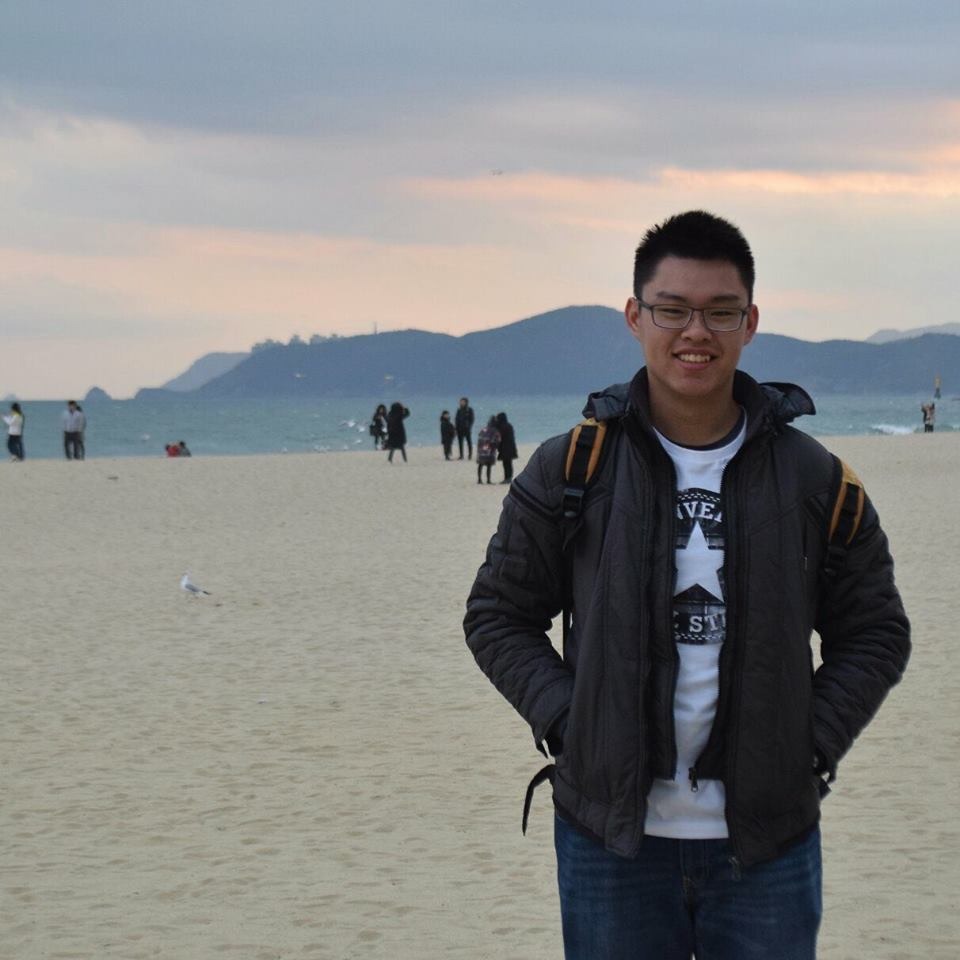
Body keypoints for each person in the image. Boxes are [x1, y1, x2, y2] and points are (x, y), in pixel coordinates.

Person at [464, 211, 910, 960]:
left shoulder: (815, 479)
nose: (695, 332)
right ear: (635, 316)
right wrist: (572, 721)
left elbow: (875, 632)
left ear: (750, 322)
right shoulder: (573, 467)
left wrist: (810, 743)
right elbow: (497, 614)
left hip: (767, 844)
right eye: (672, 310)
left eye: (720, 312)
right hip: (611, 843)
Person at [475, 416, 500, 484]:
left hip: (481, 451)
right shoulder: (495, 431)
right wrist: (495, 447)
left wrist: (479, 448)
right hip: (489, 451)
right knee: (489, 465)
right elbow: (497, 441)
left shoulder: (483, 430)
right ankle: (488, 480)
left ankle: (479, 479)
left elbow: (479, 439)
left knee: (480, 465)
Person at [494, 412, 517, 484]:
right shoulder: (509, 425)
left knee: (506, 464)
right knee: (508, 463)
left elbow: (500, 436)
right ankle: (508, 477)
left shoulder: (502, 426)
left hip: (505, 448)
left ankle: (507, 478)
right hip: (510, 447)